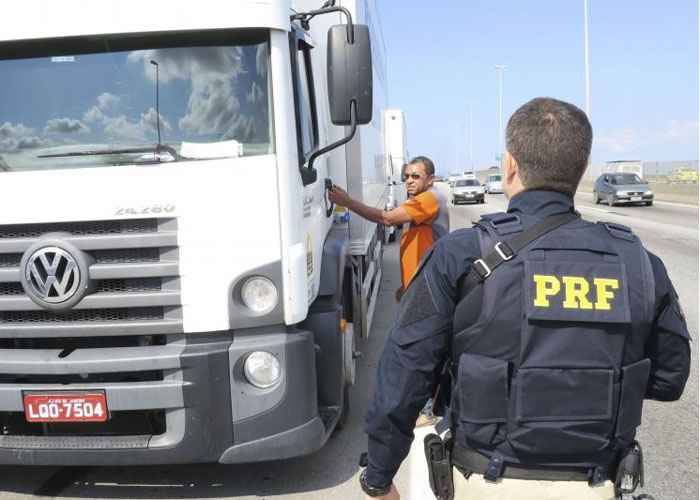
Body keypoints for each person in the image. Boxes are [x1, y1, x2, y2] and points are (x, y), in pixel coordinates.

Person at [359, 97, 690, 500]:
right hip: (598, 481)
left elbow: (404, 375)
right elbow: (669, 380)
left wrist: (378, 478)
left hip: (484, 481)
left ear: (510, 165)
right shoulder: (638, 263)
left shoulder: (463, 255)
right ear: (581, 168)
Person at [329, 156, 449, 298]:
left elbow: (387, 218)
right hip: (418, 284)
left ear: (430, 179)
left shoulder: (429, 198)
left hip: (426, 286)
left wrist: (348, 202)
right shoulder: (419, 198)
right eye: (407, 176)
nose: (409, 181)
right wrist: (406, 285)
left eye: (416, 176)